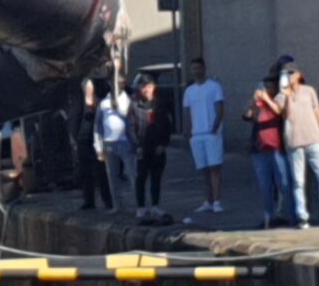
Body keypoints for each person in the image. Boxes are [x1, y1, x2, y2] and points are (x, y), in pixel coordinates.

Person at [277, 60, 319, 228]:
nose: (289, 75)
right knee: (298, 182)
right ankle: (302, 216)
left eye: (292, 72)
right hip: (294, 143)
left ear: (299, 75)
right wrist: (286, 95)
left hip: (314, 140)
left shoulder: (309, 91)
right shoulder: (281, 95)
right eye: (286, 73)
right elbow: (283, 113)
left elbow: (318, 114)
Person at [181, 58, 227, 215]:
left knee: (215, 168)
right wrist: (188, 132)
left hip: (211, 133)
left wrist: (214, 128)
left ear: (204, 69)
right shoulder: (189, 91)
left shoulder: (214, 87)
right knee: (204, 170)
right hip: (196, 135)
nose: (196, 71)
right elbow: (187, 112)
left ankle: (217, 201)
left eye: (198, 68)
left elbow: (220, 108)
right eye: (193, 68)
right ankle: (208, 200)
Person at [244, 71, 289, 228]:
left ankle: (287, 214)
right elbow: (247, 115)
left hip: (277, 148)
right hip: (260, 150)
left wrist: (267, 98)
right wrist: (253, 100)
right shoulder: (260, 104)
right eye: (265, 87)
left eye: (270, 87)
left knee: (283, 183)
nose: (267, 90)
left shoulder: (278, 100)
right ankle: (268, 216)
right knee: (265, 185)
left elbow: (278, 112)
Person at [133, 73, 174, 212]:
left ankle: (156, 205)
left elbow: (168, 126)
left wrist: (164, 144)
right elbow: (131, 127)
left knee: (156, 177)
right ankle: (141, 207)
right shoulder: (135, 105)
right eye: (143, 87)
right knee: (141, 177)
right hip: (142, 146)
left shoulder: (161, 104)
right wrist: (136, 146)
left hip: (158, 146)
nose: (146, 89)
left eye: (149, 86)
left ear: (153, 87)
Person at [93, 77, 135, 212]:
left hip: (125, 142)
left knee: (132, 174)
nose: (117, 85)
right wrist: (99, 147)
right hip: (109, 143)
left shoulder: (127, 100)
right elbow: (98, 125)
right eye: (115, 82)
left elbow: (128, 117)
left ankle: (139, 203)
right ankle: (117, 205)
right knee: (112, 175)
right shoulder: (103, 103)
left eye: (121, 83)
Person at [74, 78, 107, 210]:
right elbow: (75, 118)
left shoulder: (101, 108)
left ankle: (107, 200)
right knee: (85, 172)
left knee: (102, 171)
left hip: (97, 140)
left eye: (91, 91)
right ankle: (89, 200)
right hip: (83, 139)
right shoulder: (81, 105)